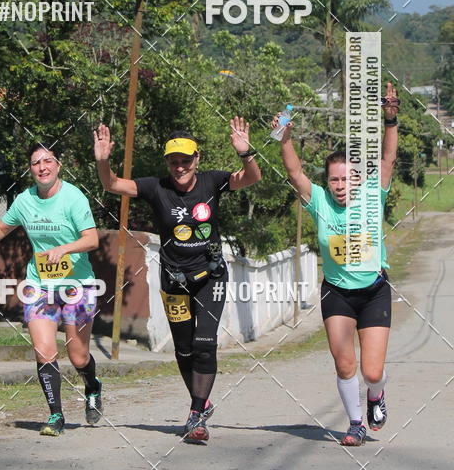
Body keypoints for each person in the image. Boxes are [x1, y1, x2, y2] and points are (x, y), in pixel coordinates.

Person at [94, 118, 261, 443]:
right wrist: (103, 161)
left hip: (210, 276)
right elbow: (112, 184)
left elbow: (253, 177)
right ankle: (202, 403)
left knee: (203, 343)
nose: (180, 166)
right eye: (174, 161)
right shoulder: (157, 187)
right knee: (183, 349)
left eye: (186, 160)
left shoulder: (212, 182)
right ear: (167, 162)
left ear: (197, 158)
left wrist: (245, 153)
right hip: (173, 280)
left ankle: (196, 414)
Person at [274, 82, 400, 446]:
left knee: (372, 371)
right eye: (334, 180)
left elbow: (388, 159)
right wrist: (284, 138)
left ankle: (376, 395)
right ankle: (355, 423)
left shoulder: (373, 195)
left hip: (373, 291)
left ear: (358, 179)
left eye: (347, 178)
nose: (340, 186)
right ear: (326, 183)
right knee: (345, 364)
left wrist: (390, 119)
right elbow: (296, 174)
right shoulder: (320, 203)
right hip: (337, 293)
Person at [0, 142, 101, 437]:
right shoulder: (25, 200)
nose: (42, 167)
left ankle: (93, 386)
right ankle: (56, 416)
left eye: (48, 161)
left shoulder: (73, 197)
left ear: (58, 165)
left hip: (77, 286)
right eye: (36, 163)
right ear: (31, 170)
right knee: (43, 350)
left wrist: (64, 250)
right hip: (40, 284)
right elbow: (4, 226)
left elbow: (92, 240)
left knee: (78, 356)